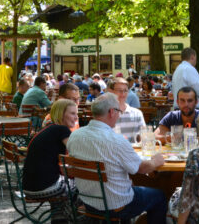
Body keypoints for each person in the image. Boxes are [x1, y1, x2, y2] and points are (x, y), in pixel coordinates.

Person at [67, 93, 166, 223]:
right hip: (117, 205)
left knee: (129, 184)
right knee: (160, 196)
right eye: (119, 111)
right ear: (112, 112)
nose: (119, 115)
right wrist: (156, 161)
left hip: (88, 201)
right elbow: (141, 169)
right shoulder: (116, 140)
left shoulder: (75, 136)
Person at [22, 99, 79, 223]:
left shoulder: (49, 128)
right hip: (44, 187)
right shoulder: (62, 130)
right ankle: (74, 220)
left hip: (28, 187)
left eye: (77, 114)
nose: (76, 117)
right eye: (72, 113)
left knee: (65, 185)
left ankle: (59, 220)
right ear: (61, 114)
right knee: (82, 185)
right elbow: (77, 155)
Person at [111, 77, 145, 143]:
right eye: (119, 90)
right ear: (112, 92)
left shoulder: (137, 113)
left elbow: (143, 136)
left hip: (132, 151)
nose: (123, 94)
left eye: (125, 90)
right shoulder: (106, 113)